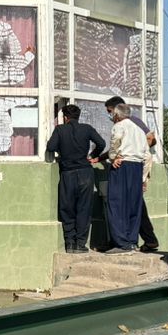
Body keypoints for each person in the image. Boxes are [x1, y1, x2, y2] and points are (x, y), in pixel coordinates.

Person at [44, 103, 106, 253]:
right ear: (78, 116)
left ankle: (70, 243)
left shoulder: (60, 130)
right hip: (85, 172)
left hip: (68, 173)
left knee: (67, 208)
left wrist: (62, 150)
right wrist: (93, 156)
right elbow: (101, 143)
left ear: (65, 118)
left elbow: (51, 147)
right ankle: (80, 244)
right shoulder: (87, 129)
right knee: (84, 209)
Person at [103, 96, 160, 252]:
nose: (110, 116)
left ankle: (120, 243)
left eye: (110, 112)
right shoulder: (140, 130)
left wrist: (113, 158)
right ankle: (132, 241)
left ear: (116, 112)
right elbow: (146, 154)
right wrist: (143, 178)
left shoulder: (119, 126)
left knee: (116, 204)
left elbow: (115, 143)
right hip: (137, 167)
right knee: (133, 206)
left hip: (123, 166)